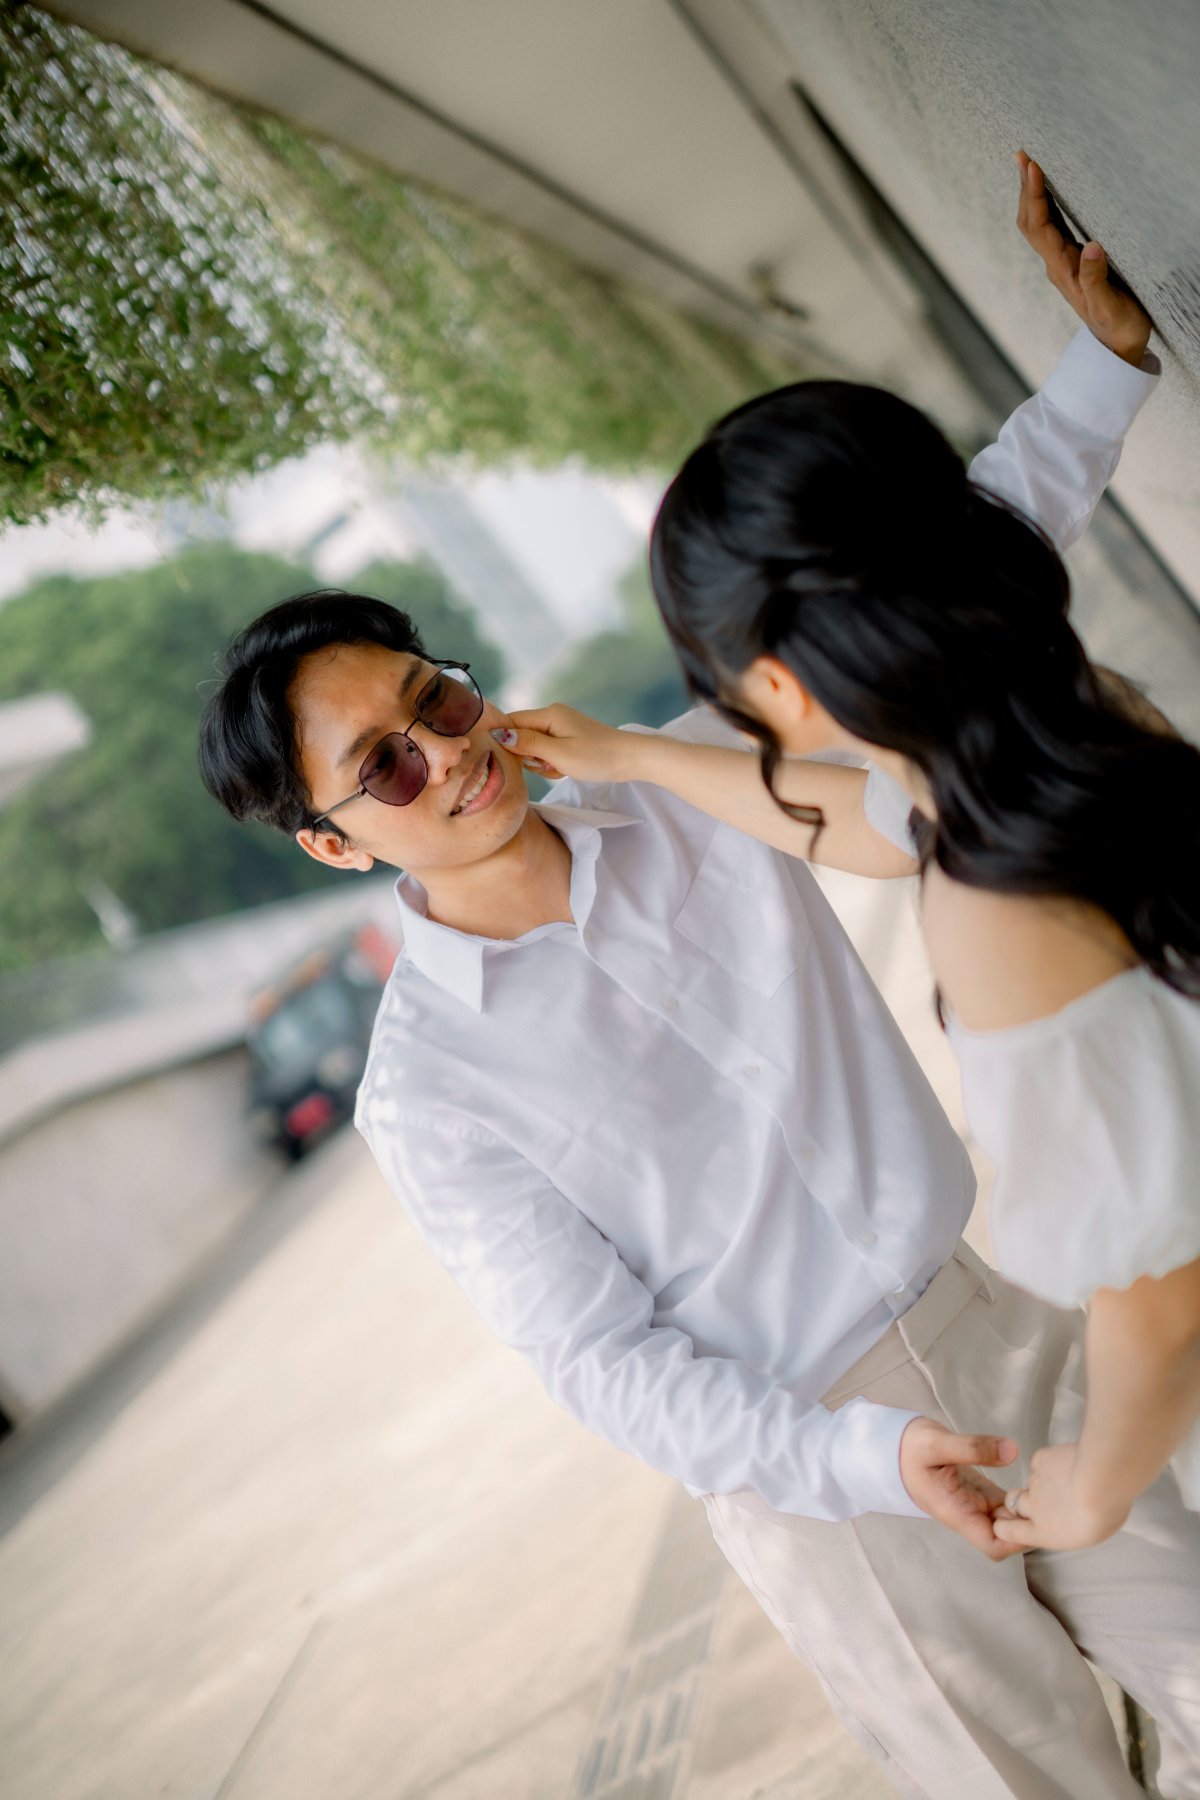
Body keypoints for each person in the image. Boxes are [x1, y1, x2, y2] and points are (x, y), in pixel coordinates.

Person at [198, 176, 1199, 1797]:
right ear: (330, 842)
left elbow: (895, 618)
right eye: (384, 765)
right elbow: (604, 1363)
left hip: (1004, 1320)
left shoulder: (676, 781)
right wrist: (858, 1456)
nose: (447, 752)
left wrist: (1103, 368)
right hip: (825, 1482)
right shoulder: (429, 1092)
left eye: (434, 698)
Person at [502, 159, 1200, 1569]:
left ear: (773, 683)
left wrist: (1095, 1489)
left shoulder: (995, 911)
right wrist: (634, 758)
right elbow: (867, 821)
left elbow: (1165, 1287)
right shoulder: (1062, 723)